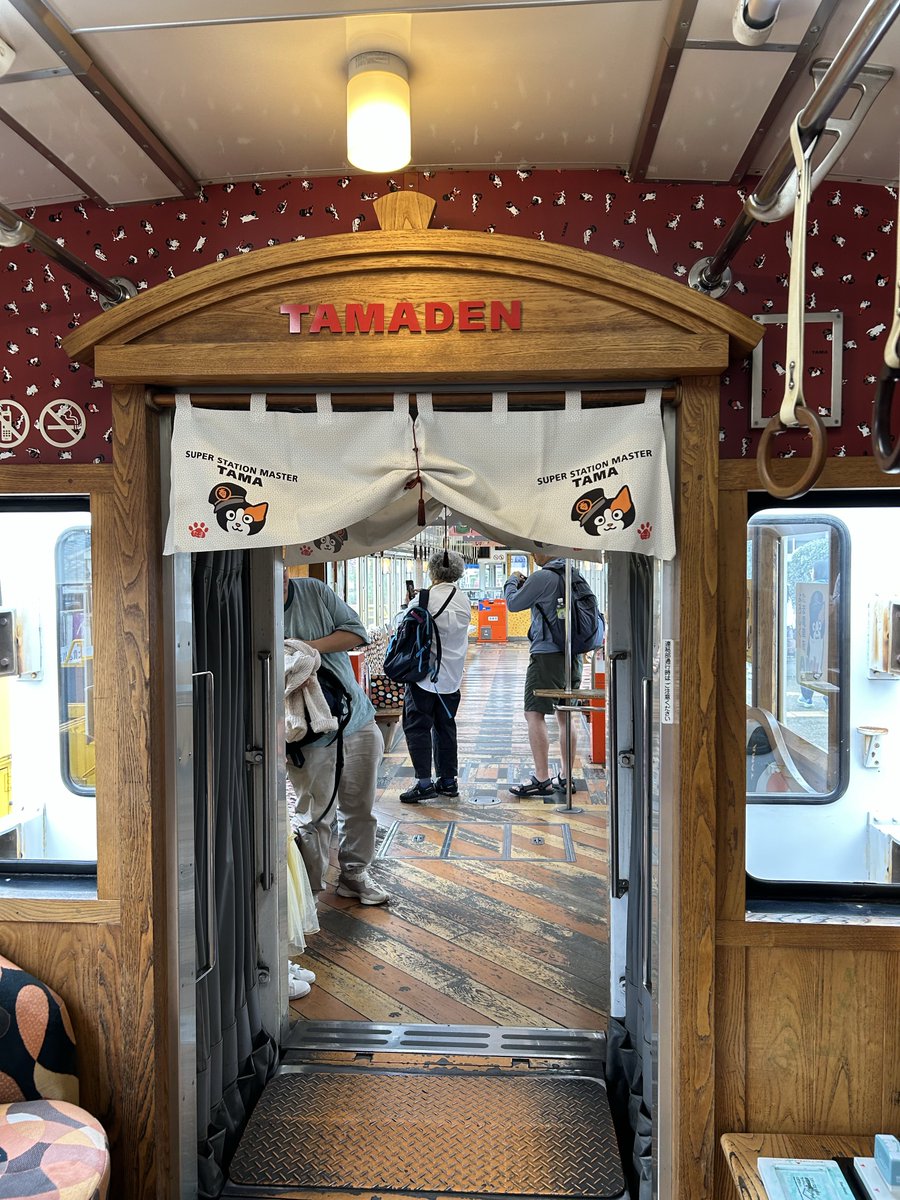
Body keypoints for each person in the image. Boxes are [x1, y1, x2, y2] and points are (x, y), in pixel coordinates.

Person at [283, 572, 389, 905]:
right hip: (307, 736)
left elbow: (355, 633)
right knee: (314, 818)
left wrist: (306, 649)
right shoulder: (250, 606)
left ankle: (354, 874)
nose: (282, 575)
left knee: (360, 807)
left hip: (356, 719)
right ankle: (310, 894)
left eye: (284, 568)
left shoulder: (312, 590)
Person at [504, 554, 589, 798]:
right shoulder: (575, 574)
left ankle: (542, 778)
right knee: (566, 714)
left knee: (534, 712)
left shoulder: (543, 577)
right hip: (573, 655)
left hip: (546, 656)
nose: (533, 554)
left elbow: (513, 603)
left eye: (535, 549)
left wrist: (512, 580)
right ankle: (566, 776)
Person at [399, 549, 472, 803]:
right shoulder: (463, 600)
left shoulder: (423, 599)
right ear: (458, 572)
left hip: (423, 677)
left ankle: (424, 783)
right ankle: (448, 781)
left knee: (417, 726)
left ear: (432, 571)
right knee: (445, 727)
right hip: (452, 678)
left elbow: (404, 627)